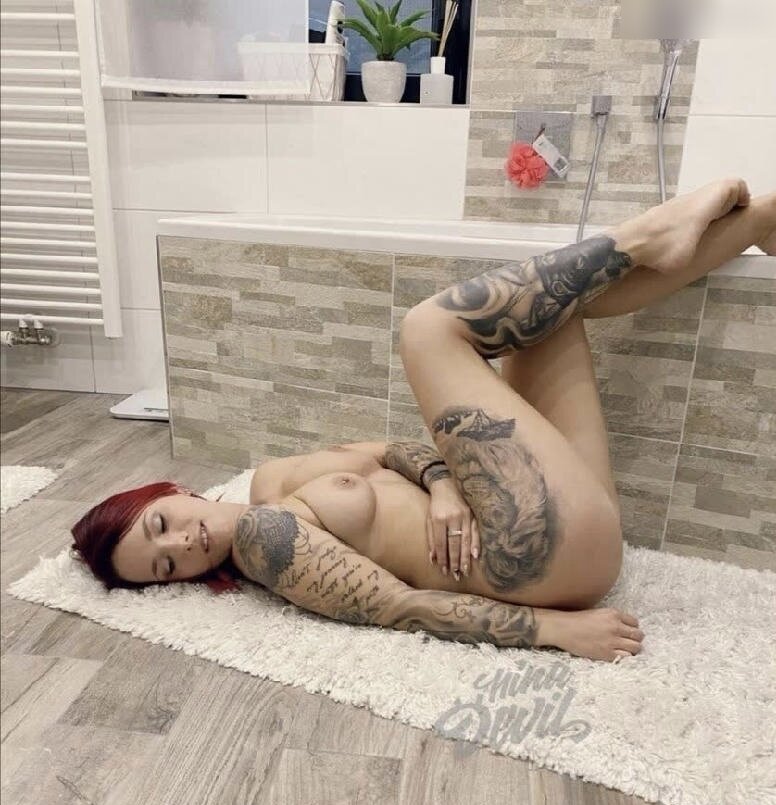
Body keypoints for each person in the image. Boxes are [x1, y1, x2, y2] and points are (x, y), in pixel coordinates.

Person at [72, 178, 776, 661]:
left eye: (161, 525)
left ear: (168, 492)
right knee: (428, 329)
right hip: (532, 557)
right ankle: (647, 235)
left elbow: (390, 449)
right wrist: (556, 632)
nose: (185, 544)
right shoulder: (263, 546)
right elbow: (399, 607)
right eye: (167, 568)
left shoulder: (269, 481)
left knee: (545, 316)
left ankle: (758, 220)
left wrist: (441, 486)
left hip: (547, 516)